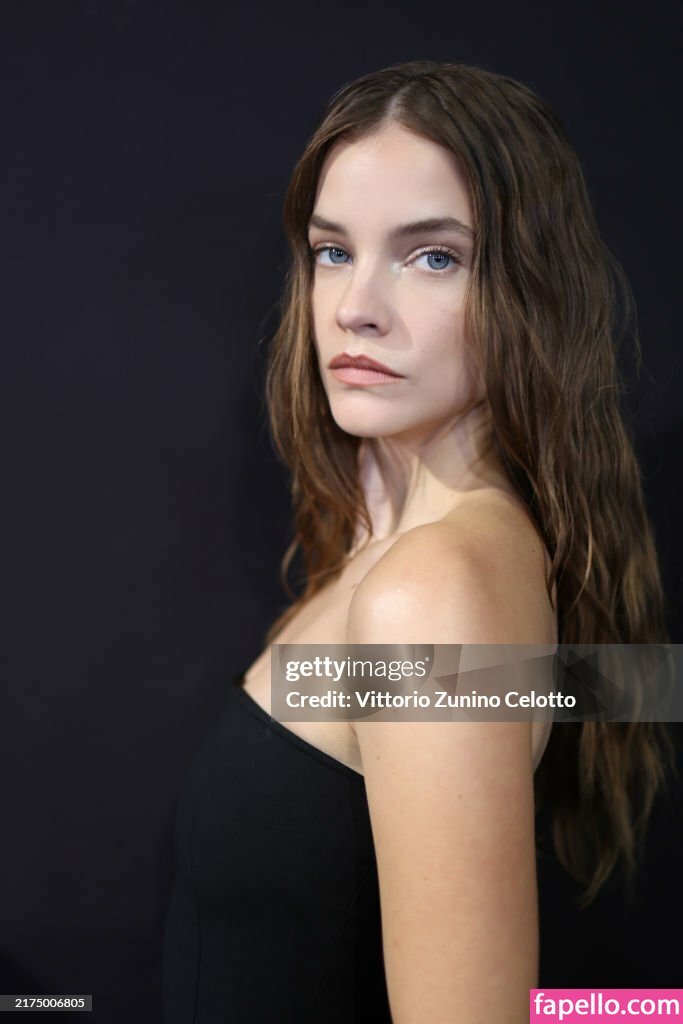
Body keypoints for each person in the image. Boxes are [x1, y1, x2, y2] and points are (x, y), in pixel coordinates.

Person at [162, 59, 674, 1023]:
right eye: (332, 250)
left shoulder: (431, 589)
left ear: (530, 291)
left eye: (432, 256)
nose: (353, 305)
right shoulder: (404, 548)